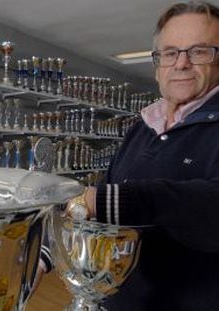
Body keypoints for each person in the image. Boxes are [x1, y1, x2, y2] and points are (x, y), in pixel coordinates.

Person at [38, 1, 219, 310]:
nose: (181, 64)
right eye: (170, 52)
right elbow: (101, 211)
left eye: (199, 51)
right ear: (157, 65)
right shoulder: (140, 128)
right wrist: (46, 254)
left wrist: (114, 200)